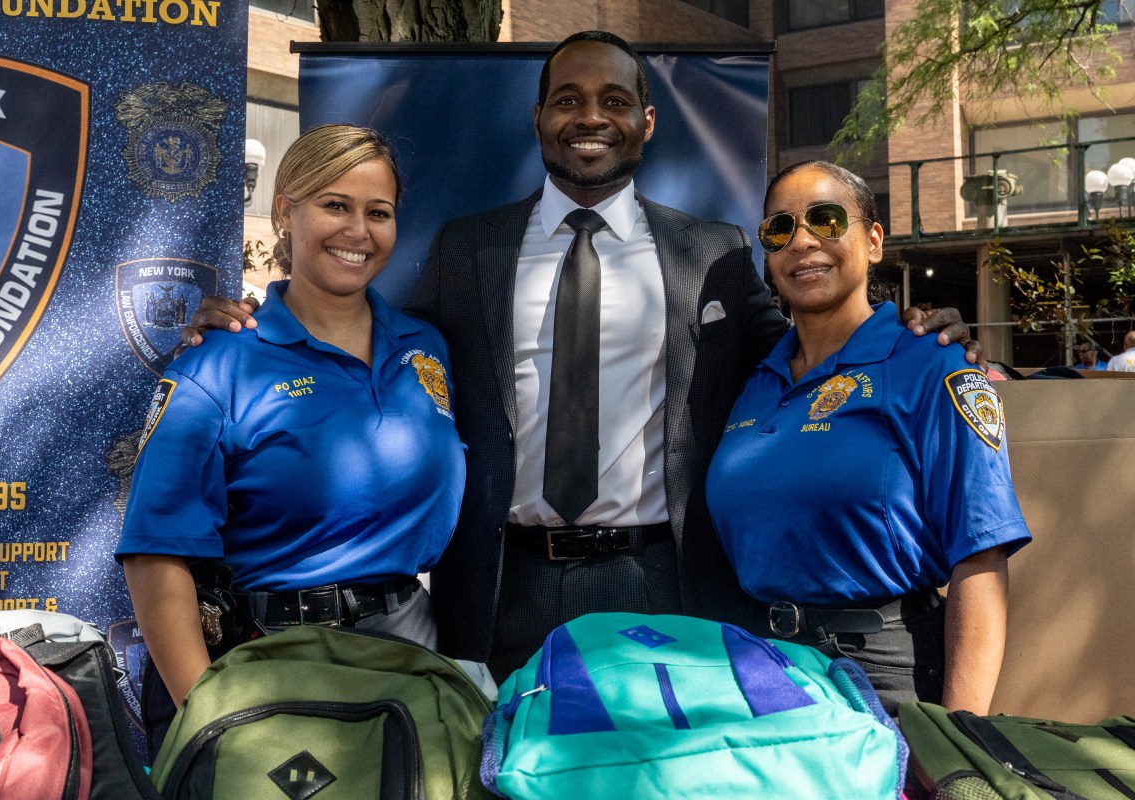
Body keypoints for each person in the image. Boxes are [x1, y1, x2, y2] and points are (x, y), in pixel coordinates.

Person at [184, 32, 977, 682]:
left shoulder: (717, 255)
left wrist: (912, 331)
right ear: (537, 120)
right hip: (502, 586)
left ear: (648, 122)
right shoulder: (470, 249)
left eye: (613, 101)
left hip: (666, 581)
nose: (589, 116)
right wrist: (255, 317)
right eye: (568, 99)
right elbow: (368, 339)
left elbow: (808, 354)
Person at [117, 125, 465, 734]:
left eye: (377, 212)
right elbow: (155, 555)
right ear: (285, 212)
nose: (358, 231)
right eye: (335, 205)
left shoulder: (426, 348)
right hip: (270, 667)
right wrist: (210, 720)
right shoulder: (218, 362)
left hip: (411, 661)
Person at [706, 160, 1031, 716]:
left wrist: (957, 737)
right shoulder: (756, 380)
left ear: (875, 240)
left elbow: (980, 559)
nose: (803, 241)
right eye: (779, 230)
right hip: (758, 672)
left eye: (827, 220)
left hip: (881, 676)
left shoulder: (932, 364)